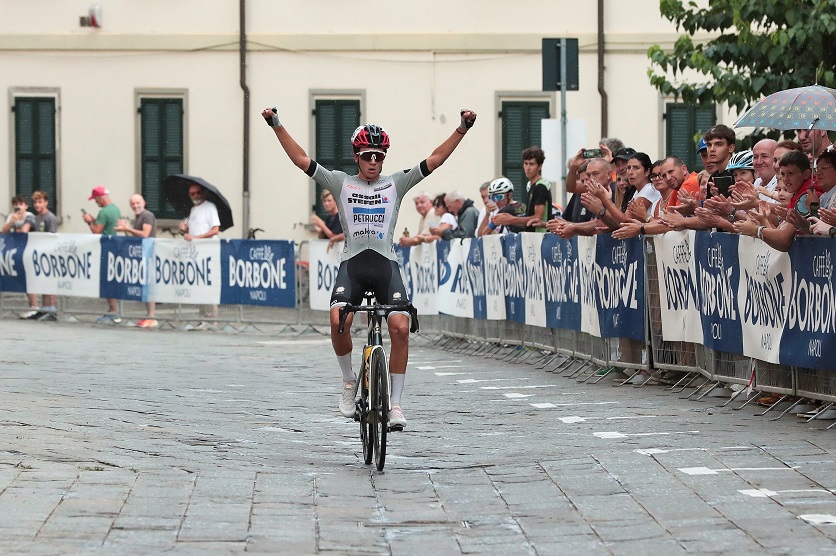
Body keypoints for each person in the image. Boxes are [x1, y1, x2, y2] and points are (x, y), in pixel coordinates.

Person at [262, 105, 477, 429]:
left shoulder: (396, 183)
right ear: (356, 156)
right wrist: (276, 124)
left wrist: (462, 128)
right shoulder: (340, 182)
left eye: (378, 156)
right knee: (337, 319)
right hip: (353, 265)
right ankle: (349, 381)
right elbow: (301, 159)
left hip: (386, 264)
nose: (373, 162)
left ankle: (395, 405)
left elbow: (434, 159)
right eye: (367, 156)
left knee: (401, 327)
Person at [178, 183, 221, 330]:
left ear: (202, 193)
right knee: (200, 285)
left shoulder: (210, 207)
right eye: (192, 194)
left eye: (197, 193)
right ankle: (202, 318)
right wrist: (184, 229)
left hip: (208, 251)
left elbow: (215, 230)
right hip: (196, 253)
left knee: (208, 286)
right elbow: (190, 232)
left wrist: (197, 238)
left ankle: (211, 320)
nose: (195, 196)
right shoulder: (193, 210)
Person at [115, 194, 158, 328]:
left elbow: (145, 234)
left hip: (149, 254)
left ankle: (151, 317)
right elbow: (134, 236)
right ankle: (149, 316)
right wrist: (126, 228)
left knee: (149, 286)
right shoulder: (138, 217)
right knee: (145, 286)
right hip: (141, 254)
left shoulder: (147, 215)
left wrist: (127, 228)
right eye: (133, 204)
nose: (136, 206)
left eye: (138, 203)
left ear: (144, 202)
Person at [82, 186, 122, 324]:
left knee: (106, 279)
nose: (96, 203)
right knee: (111, 278)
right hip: (114, 246)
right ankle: (114, 310)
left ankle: (112, 311)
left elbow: (96, 232)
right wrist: (94, 220)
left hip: (105, 247)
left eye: (95, 200)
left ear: (100, 198)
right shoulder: (115, 209)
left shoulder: (103, 212)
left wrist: (89, 221)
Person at [4, 196, 39, 319]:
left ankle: (35, 307)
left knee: (30, 278)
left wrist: (14, 228)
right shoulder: (11, 216)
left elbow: (24, 231)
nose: (17, 206)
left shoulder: (29, 216)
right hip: (17, 251)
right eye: (15, 204)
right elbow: (3, 232)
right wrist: (11, 222)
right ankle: (32, 307)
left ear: (25, 205)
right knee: (24, 279)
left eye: (20, 204)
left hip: (30, 250)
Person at [27, 191, 59, 321]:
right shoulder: (36, 218)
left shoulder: (49, 217)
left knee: (49, 281)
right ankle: (45, 308)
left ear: (46, 202)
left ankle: (51, 308)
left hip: (48, 253)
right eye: (35, 202)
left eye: (40, 202)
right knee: (42, 281)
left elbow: (52, 235)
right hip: (39, 253)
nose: (37, 205)